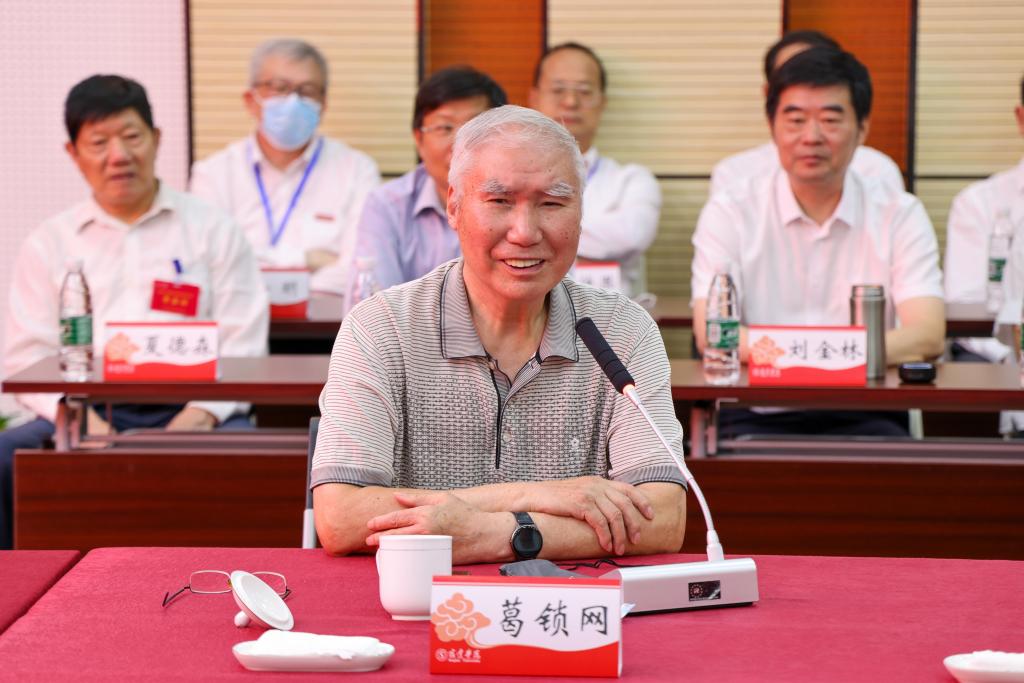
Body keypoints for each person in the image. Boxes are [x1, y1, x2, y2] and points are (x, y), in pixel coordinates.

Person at [312, 105, 686, 565]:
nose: (525, 232)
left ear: (580, 213)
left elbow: (664, 516)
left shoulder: (621, 330)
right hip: (418, 598)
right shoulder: (382, 326)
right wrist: (537, 495)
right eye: (500, 201)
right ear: (453, 206)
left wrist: (497, 533)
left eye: (552, 204)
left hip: (573, 603)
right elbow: (341, 516)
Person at [0, 75, 269, 549]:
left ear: (156, 138)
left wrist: (198, 417)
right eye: (99, 142)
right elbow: (26, 354)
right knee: (6, 458)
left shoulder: (213, 230)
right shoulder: (50, 243)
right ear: (73, 153)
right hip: (85, 408)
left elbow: (243, 342)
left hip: (196, 405)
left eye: (131, 136)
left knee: (259, 460)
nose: (118, 155)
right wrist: (77, 417)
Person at [691, 48, 945, 437]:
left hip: (867, 409)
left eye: (830, 120)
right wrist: (835, 356)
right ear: (772, 126)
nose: (811, 137)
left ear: (862, 129)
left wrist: (797, 356)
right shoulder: (731, 211)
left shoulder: (900, 212)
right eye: (795, 120)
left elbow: (926, 333)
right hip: (754, 409)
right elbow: (714, 333)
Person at [190, 38, 380, 295]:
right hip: (237, 319)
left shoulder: (357, 171)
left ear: (323, 104)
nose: (293, 101)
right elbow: (208, 266)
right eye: (279, 88)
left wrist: (258, 275)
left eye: (307, 91)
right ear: (251, 100)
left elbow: (359, 271)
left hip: (326, 320)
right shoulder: (212, 174)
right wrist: (307, 260)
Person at [346, 66, 506, 305]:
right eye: (444, 128)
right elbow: (374, 307)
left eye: (475, 128)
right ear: (418, 139)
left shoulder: (523, 200)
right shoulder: (386, 205)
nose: (460, 144)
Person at [529, 42, 661, 298]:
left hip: (609, 320)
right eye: (558, 90)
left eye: (584, 91)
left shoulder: (632, 180)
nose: (570, 101)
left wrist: (533, 233)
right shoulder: (511, 177)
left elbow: (632, 234)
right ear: (534, 98)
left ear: (602, 102)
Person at [709, 30, 904, 197]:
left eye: (829, 119)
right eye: (792, 76)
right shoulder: (735, 174)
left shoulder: (878, 169)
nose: (811, 137)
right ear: (770, 94)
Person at [944, 76, 1024, 364]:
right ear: (1022, 118)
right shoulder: (980, 204)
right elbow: (966, 308)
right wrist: (1012, 358)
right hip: (1006, 367)